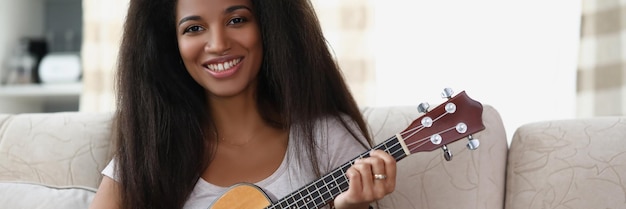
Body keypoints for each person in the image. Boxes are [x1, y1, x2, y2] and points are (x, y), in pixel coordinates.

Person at [89, 0, 396, 208]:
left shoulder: (328, 139)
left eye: (237, 20)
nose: (219, 44)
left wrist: (350, 207)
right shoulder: (150, 152)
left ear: (268, 26)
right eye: (194, 28)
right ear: (172, 45)